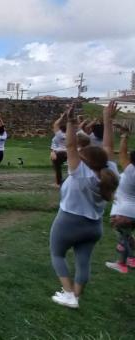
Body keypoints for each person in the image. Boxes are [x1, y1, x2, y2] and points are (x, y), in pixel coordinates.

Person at [49, 102, 119, 309]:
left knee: (57, 254)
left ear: (85, 162)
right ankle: (76, 296)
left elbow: (70, 146)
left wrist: (70, 122)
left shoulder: (81, 174)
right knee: (83, 261)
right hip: (94, 225)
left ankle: (69, 294)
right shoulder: (111, 171)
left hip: (69, 220)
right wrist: (108, 120)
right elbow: (107, 147)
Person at [105, 122, 135, 273]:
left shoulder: (131, 171)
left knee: (123, 239)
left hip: (124, 212)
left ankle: (122, 264)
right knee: (128, 237)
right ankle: (131, 260)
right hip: (133, 212)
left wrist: (124, 136)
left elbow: (122, 153)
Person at [50, 111, 68, 187]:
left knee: (57, 167)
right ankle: (68, 182)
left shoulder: (59, 134)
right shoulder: (72, 134)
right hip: (69, 152)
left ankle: (58, 183)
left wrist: (61, 117)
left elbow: (55, 124)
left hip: (60, 153)